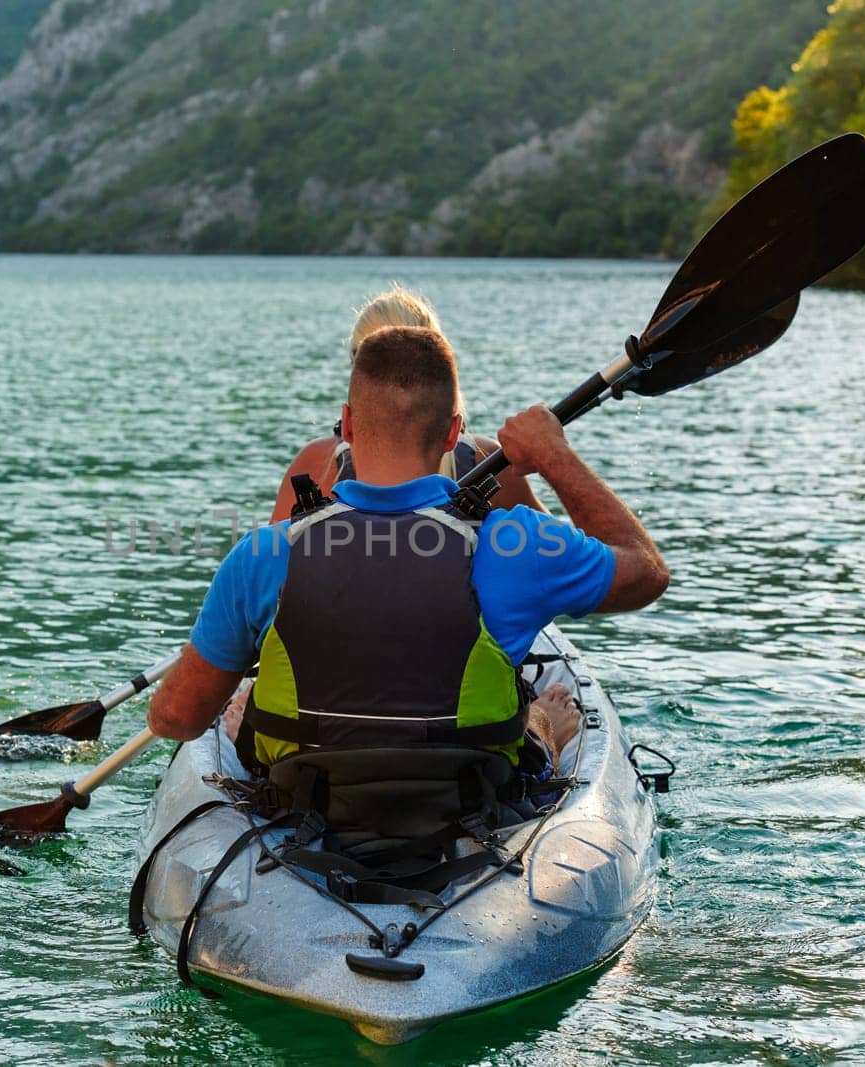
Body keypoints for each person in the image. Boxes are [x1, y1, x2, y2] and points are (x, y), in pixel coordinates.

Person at [149, 325, 668, 780]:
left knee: (245, 710)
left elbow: (175, 720)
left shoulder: (264, 554)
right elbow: (646, 571)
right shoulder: (518, 543)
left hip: (304, 799)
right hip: (471, 796)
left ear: (347, 426)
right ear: (453, 433)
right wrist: (554, 456)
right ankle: (541, 728)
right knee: (530, 716)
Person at [269, 286, 545, 522]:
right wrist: (553, 456)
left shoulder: (317, 467)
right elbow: (571, 559)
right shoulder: (487, 463)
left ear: (358, 369)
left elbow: (266, 571)